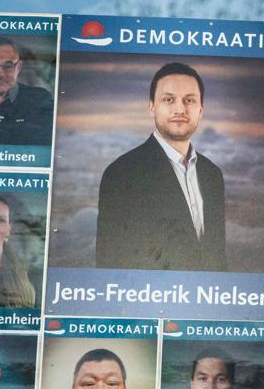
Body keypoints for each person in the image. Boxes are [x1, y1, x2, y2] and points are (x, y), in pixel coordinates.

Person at [95, 62, 226, 271]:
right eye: (169, 99)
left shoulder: (212, 174)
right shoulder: (121, 174)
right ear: (152, 106)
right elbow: (109, 261)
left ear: (200, 110)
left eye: (189, 100)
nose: (180, 109)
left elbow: (217, 257)